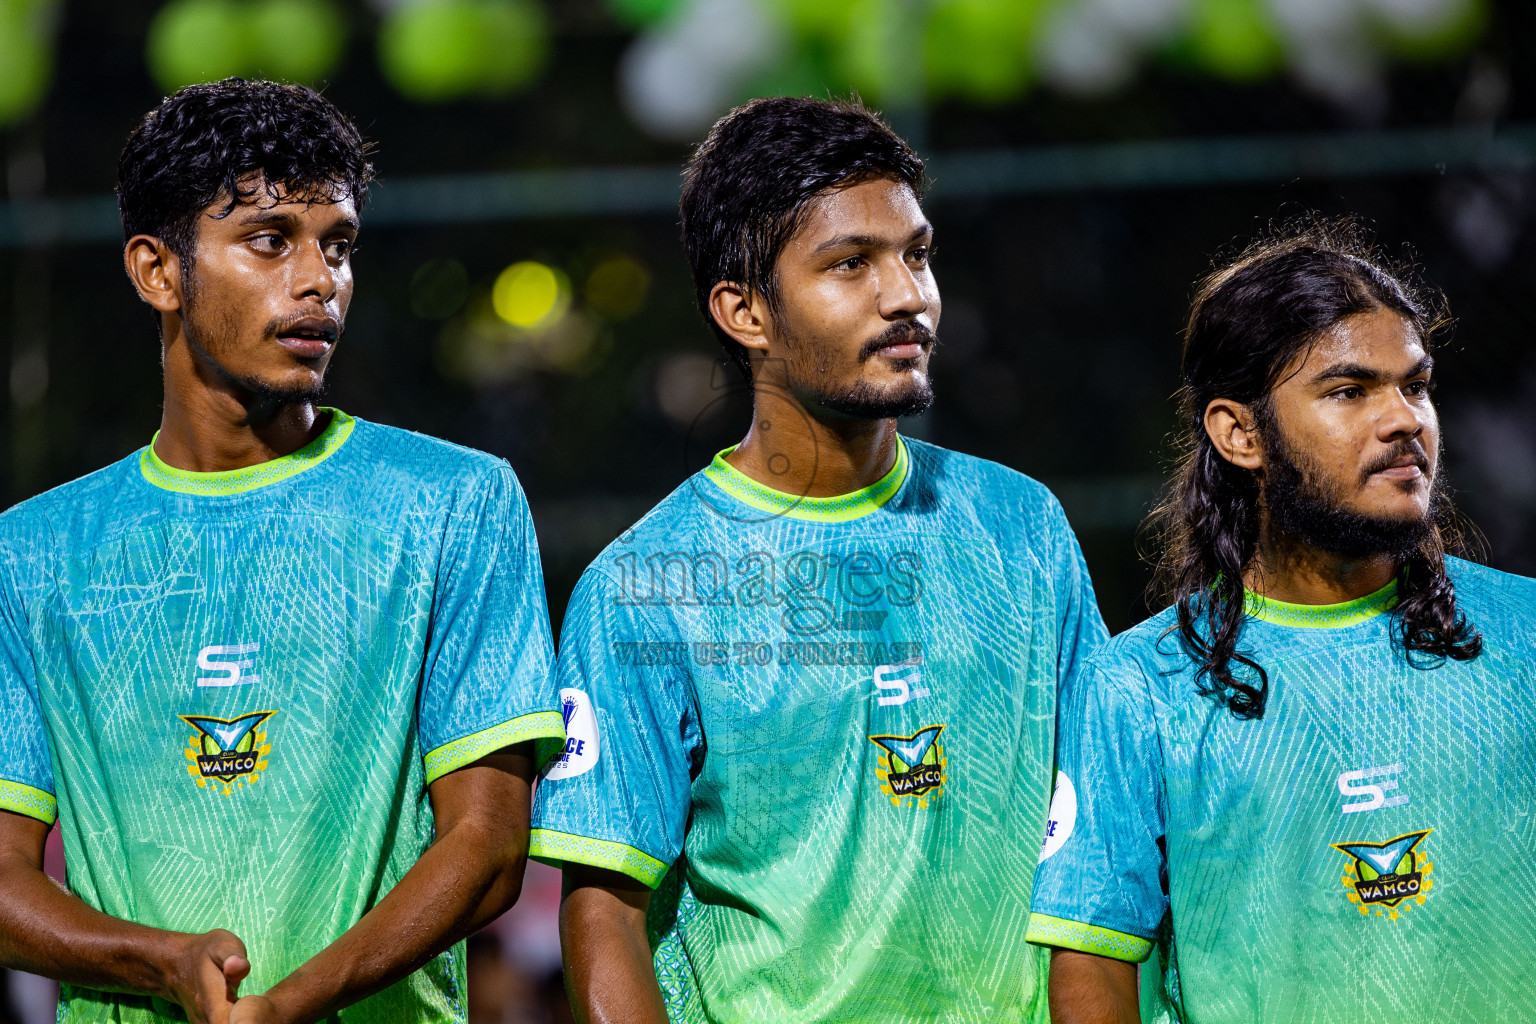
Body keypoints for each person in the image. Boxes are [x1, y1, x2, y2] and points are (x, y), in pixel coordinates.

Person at [528, 96, 1107, 1023]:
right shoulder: (646, 586)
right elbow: (605, 919)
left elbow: (1100, 842)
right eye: (850, 265)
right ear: (745, 310)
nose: (907, 295)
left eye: (916, 254)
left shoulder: (1021, 526)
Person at [0, 79, 561, 1024]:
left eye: (338, 245)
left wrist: (298, 1000)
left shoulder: (454, 501)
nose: (318, 281)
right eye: (270, 240)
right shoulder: (32, 552)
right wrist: (162, 961)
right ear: (157, 271)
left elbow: (491, 847)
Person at [1027, 220, 1536, 1023]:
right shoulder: (1138, 688)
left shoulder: (1527, 635)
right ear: (1239, 433)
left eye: (1416, 385)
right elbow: (1091, 959)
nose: (1405, 419)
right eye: (1349, 391)